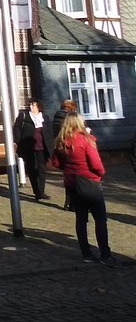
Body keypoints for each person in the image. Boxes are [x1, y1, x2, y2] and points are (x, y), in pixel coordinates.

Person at [50, 112, 115, 265]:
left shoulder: (61, 141)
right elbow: (96, 164)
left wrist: (68, 168)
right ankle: (105, 254)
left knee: (81, 219)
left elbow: (56, 163)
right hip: (89, 181)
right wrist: (100, 173)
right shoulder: (86, 140)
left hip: (72, 183)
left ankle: (86, 253)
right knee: (100, 219)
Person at [13, 99, 48, 200]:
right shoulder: (23, 117)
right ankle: (36, 191)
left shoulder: (44, 117)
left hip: (42, 147)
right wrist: (20, 142)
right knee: (32, 168)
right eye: (30, 105)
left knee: (41, 169)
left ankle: (41, 191)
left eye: (33, 105)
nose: (31, 107)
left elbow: (49, 131)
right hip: (29, 147)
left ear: (38, 106)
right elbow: (16, 130)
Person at [49, 99, 78, 208]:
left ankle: (67, 202)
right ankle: (73, 203)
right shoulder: (68, 118)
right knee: (76, 177)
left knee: (68, 176)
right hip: (71, 147)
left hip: (61, 148)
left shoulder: (57, 117)